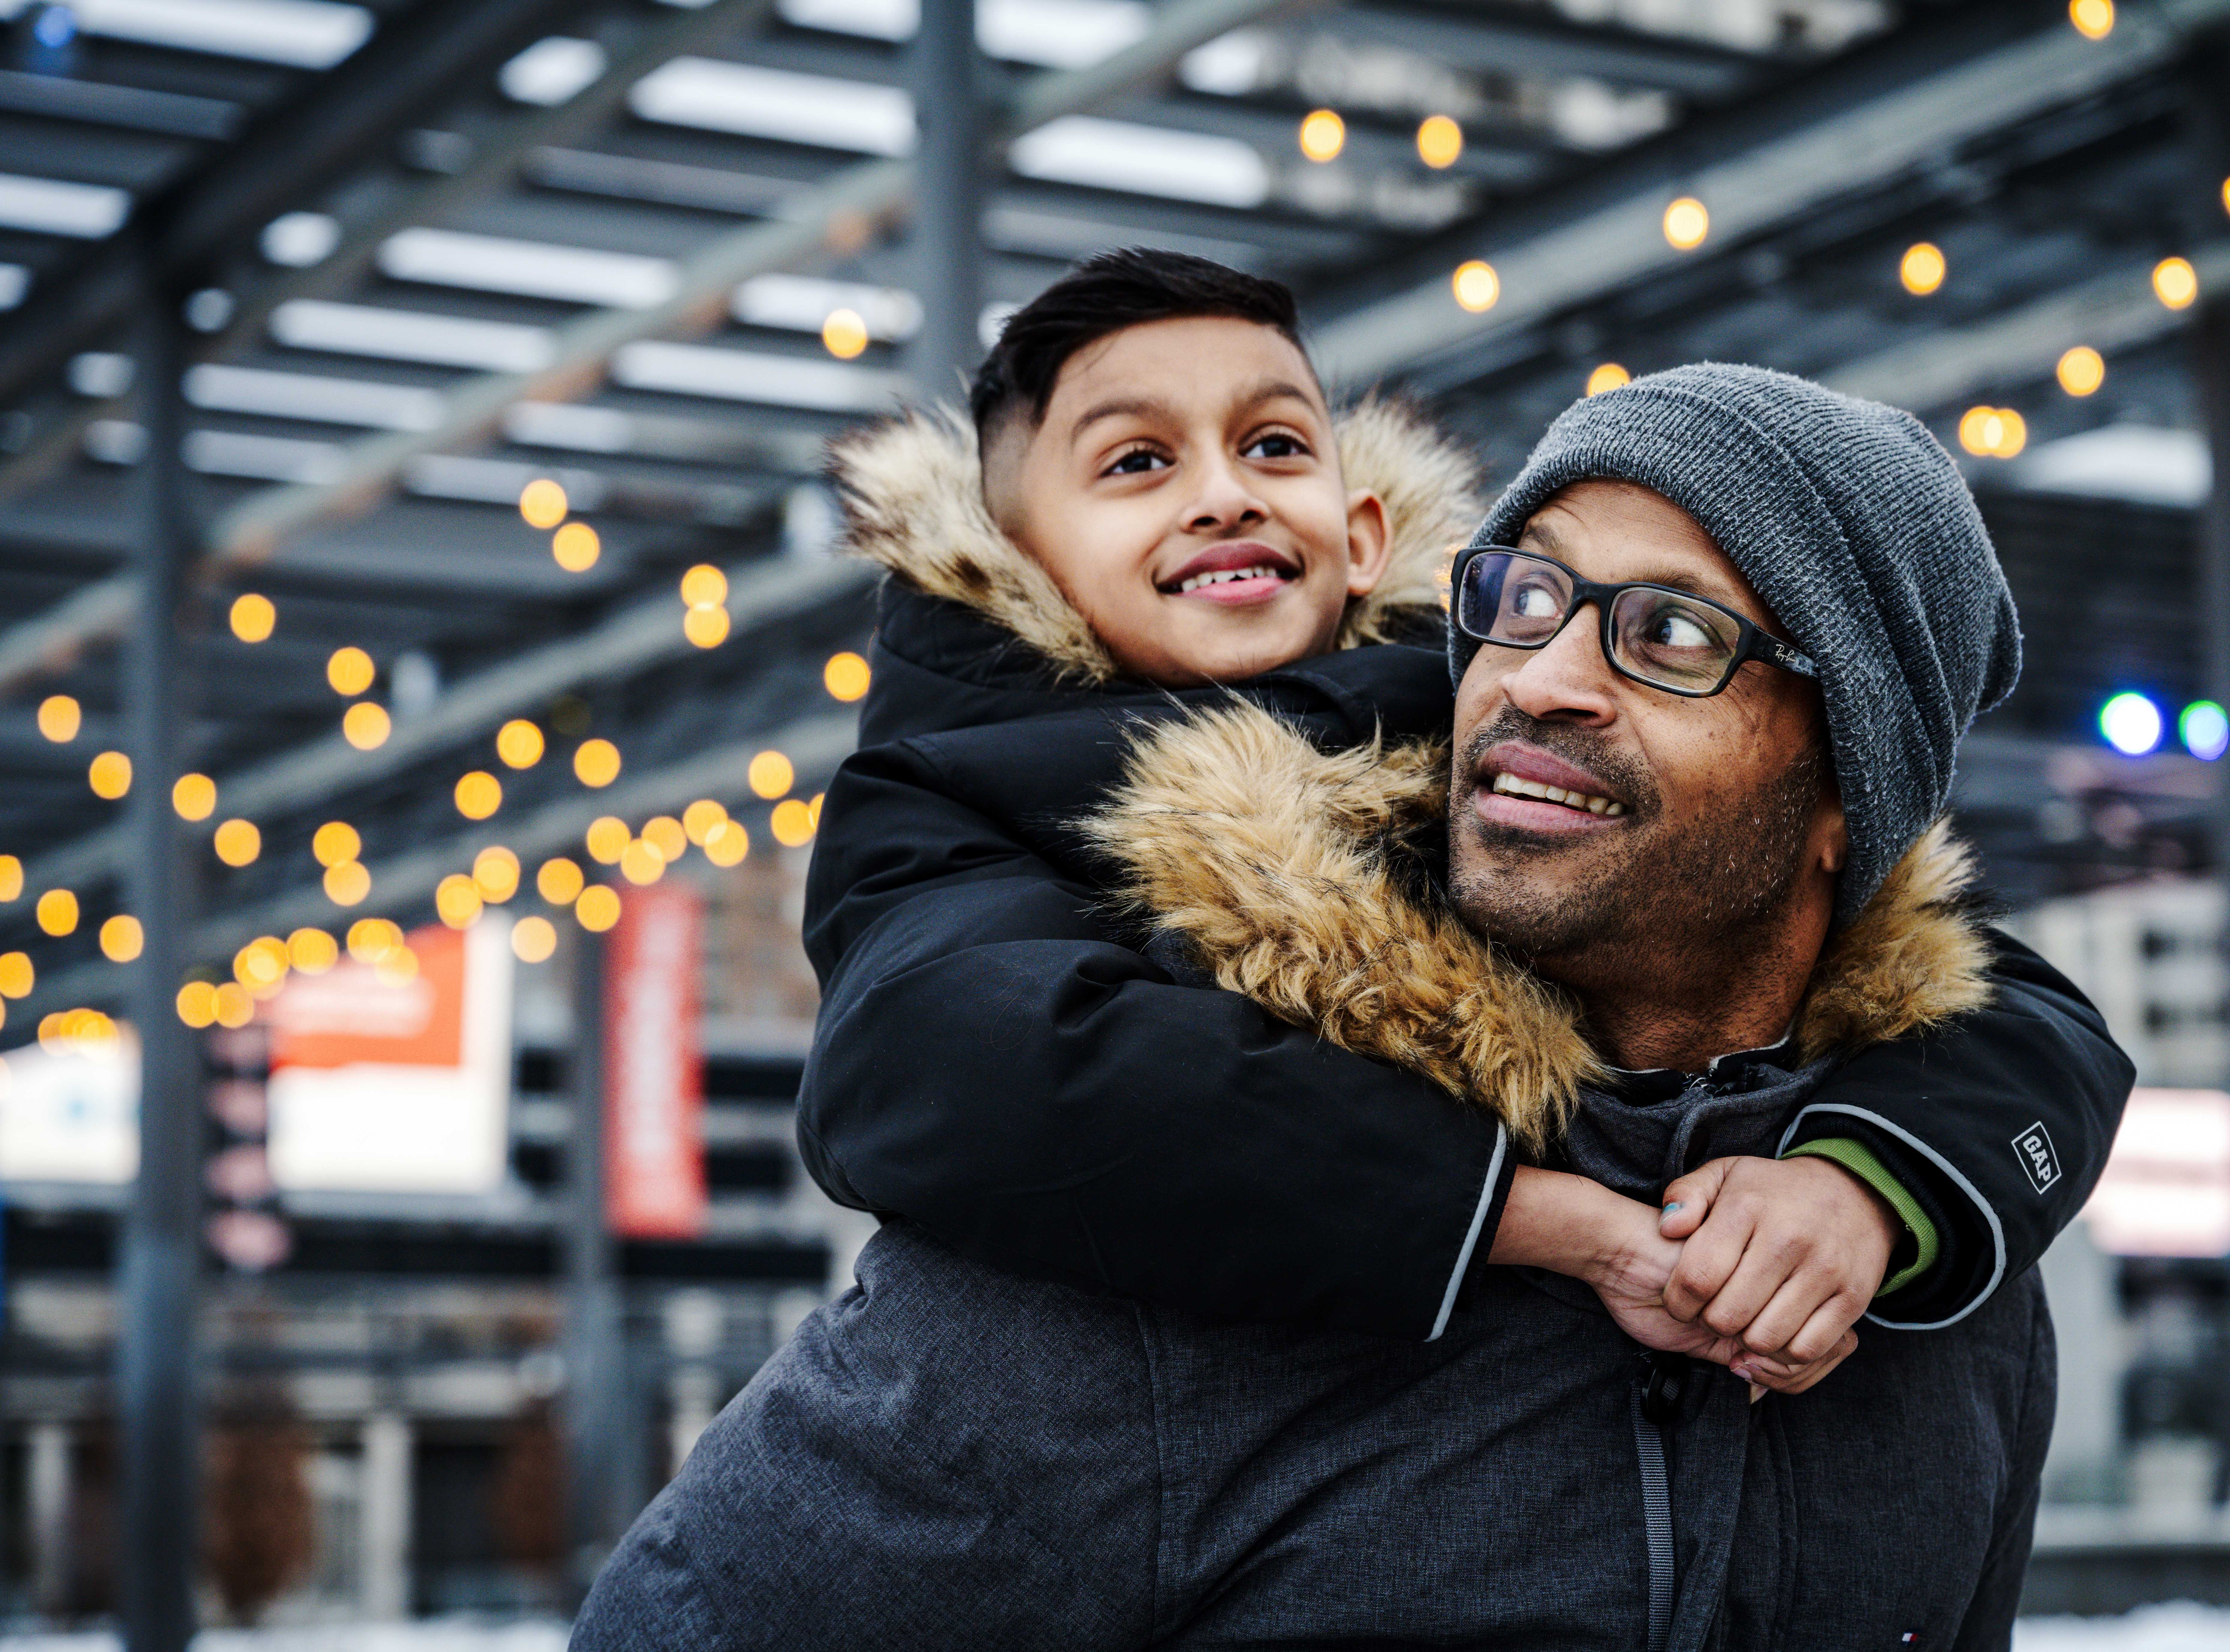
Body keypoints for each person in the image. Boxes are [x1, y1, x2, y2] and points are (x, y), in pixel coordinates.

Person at [572, 267, 2131, 1647]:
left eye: (1667, 636)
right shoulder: (1132, 1247)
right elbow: (938, 1047)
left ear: (1850, 798)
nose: (1542, 679)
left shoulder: (1944, 1274)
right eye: (1524, 603)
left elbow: (2028, 1018)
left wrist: (1874, 1187)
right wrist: (1504, 1213)